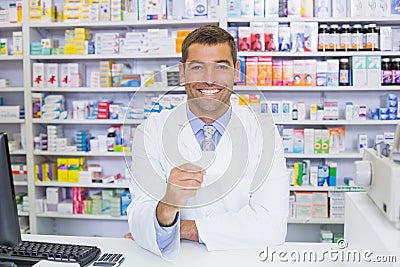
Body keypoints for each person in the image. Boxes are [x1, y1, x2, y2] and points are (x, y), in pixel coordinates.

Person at [127, 25, 289, 261]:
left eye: (221, 67)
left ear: (236, 72)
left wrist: (179, 229)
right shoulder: (152, 130)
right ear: (182, 74)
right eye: (197, 67)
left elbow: (273, 224)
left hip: (243, 260)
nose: (210, 79)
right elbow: (140, 214)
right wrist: (167, 207)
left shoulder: (264, 132)